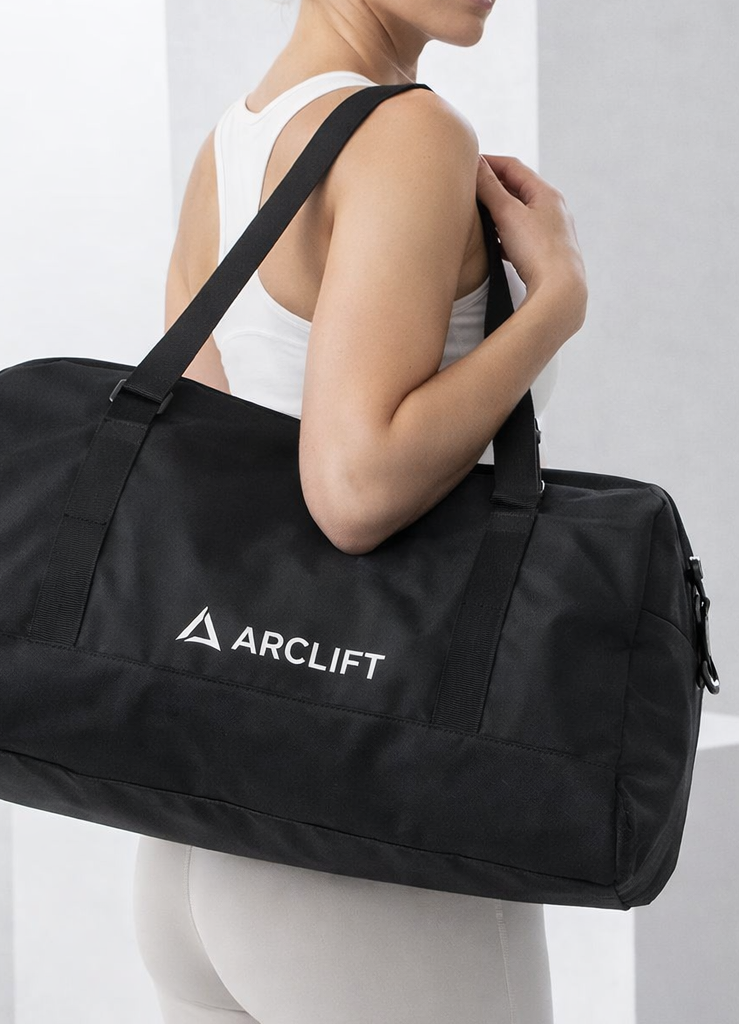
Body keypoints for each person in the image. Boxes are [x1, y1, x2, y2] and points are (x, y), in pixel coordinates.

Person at [133, 1, 587, 1021]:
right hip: (369, 838)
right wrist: (555, 298)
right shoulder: (408, 132)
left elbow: (198, 486)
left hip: (195, 839)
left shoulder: (231, 144)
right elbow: (354, 488)